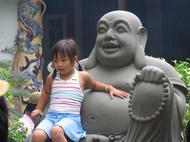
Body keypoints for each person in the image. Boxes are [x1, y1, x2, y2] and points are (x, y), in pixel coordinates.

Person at [76, 10, 187, 142]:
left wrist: (160, 86)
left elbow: (179, 109)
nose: (108, 36)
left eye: (120, 29)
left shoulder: (159, 68)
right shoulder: (78, 68)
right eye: (102, 30)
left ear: (140, 36)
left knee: (151, 87)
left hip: (139, 138)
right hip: (80, 137)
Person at [31, 39, 128, 142]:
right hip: (51, 117)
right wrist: (39, 108)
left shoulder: (82, 76)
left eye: (63, 60)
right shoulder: (52, 78)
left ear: (74, 60)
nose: (59, 64)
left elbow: (94, 85)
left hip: (70, 119)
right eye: (55, 61)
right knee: (37, 135)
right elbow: (46, 92)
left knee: (56, 131)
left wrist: (109, 88)